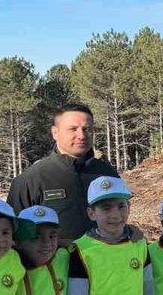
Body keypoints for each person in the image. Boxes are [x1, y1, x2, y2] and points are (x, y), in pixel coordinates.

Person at [9, 103, 119, 244]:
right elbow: (14, 235)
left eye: (87, 129)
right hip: (56, 264)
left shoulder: (106, 173)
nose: (81, 135)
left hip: (104, 262)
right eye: (73, 129)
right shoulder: (31, 180)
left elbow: (120, 217)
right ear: (55, 133)